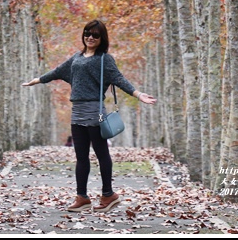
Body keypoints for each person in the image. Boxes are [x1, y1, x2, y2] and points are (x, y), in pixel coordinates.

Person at [22, 19, 156, 213]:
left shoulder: (104, 59)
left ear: (102, 38)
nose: (90, 37)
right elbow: (58, 71)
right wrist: (37, 80)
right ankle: (82, 197)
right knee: (81, 156)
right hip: (77, 111)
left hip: (95, 111)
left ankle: (108, 194)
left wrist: (138, 94)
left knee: (102, 154)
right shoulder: (77, 57)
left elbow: (118, 78)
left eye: (95, 35)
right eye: (87, 33)